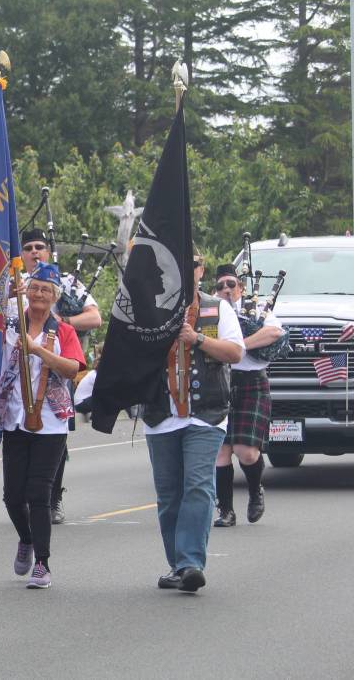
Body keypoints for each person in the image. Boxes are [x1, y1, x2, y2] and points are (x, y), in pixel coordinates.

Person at [141, 253, 243, 593]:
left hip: (206, 413)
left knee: (198, 485)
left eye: (193, 265)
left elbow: (234, 353)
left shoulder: (218, 308)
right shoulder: (147, 308)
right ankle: (177, 565)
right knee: (169, 494)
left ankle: (190, 563)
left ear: (200, 271)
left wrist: (197, 339)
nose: (187, 271)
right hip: (161, 413)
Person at [0, 262, 85, 589]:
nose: (38, 294)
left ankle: (43, 564)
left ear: (54, 298)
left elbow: (72, 368)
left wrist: (37, 350)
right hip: (14, 419)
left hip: (50, 423)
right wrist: (5, 293)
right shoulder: (9, 323)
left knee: (39, 493)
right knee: (12, 496)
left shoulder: (63, 331)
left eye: (45, 290)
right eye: (34, 288)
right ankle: (26, 539)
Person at [17, 229, 104, 526]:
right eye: (28, 247)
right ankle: (24, 495)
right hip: (17, 368)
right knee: (18, 435)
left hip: (55, 367)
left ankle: (52, 498)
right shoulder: (13, 285)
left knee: (54, 435)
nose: (34, 252)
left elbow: (94, 317)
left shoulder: (67, 283)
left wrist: (62, 322)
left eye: (40, 246)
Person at [212, 263, 282, 527]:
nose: (226, 289)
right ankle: (226, 511)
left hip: (252, 383)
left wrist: (238, 347)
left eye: (231, 284)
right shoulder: (211, 312)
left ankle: (255, 491)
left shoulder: (257, 310)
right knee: (221, 450)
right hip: (221, 383)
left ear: (240, 287)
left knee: (246, 453)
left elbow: (274, 332)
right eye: (220, 286)